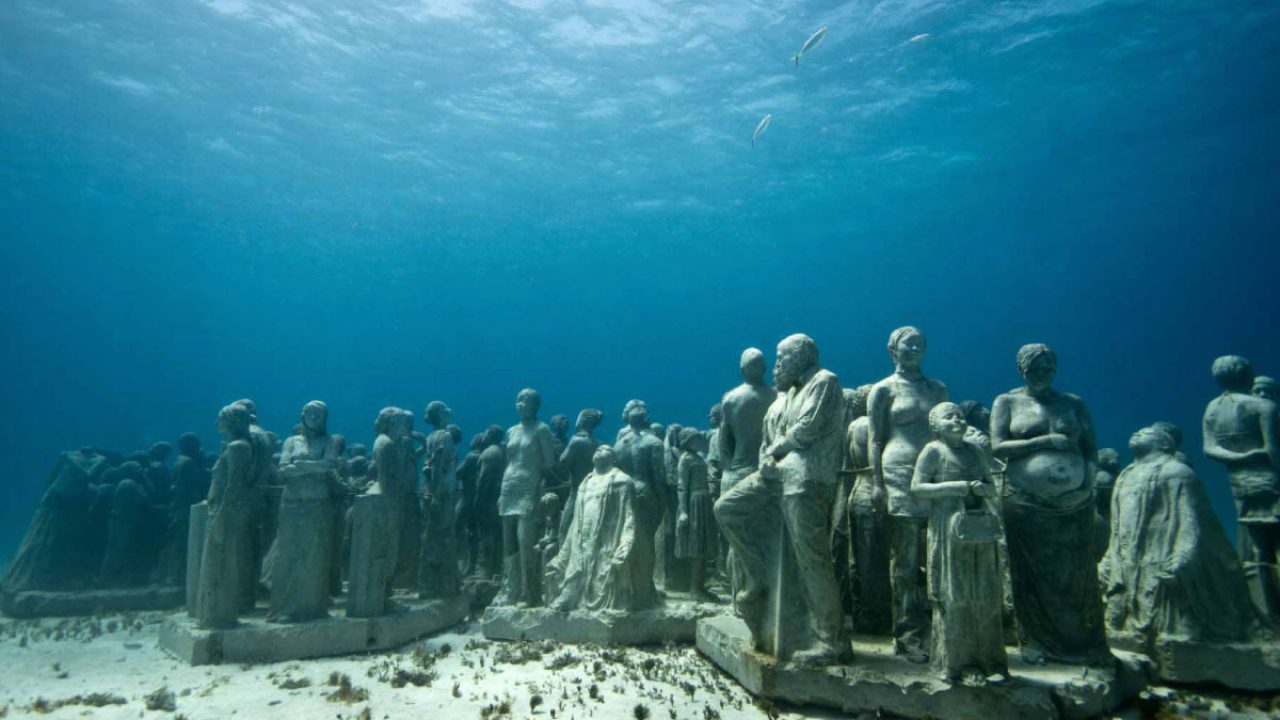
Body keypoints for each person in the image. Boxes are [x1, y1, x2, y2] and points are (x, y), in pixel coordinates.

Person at [992, 343, 1109, 665]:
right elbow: (997, 446)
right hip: (1025, 499)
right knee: (1030, 573)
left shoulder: (1074, 404)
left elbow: (1091, 451)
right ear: (1022, 369)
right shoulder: (1007, 401)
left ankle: (1083, 644)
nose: (1042, 374)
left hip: (1075, 501)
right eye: (1035, 368)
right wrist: (1043, 441)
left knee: (1077, 573)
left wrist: (1088, 484)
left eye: (1048, 368)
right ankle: (1035, 642)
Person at [1102, 425, 1258, 651]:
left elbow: (1190, 519)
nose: (1136, 433)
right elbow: (1116, 525)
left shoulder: (1176, 472)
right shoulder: (1125, 474)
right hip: (1128, 555)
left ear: (1165, 444)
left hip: (1163, 550)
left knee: (1175, 618)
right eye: (1136, 431)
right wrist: (1110, 556)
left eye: (1145, 432)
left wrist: (1182, 555)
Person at [911, 402, 1007, 684]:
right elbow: (917, 488)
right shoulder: (933, 451)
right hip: (947, 529)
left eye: (960, 416)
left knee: (984, 593)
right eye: (948, 416)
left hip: (977, 530)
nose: (956, 420)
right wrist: (958, 487)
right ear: (935, 426)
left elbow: (993, 487)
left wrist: (981, 489)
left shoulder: (975, 451)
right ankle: (957, 664)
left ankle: (989, 660)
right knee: (955, 594)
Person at [868, 326, 948, 661]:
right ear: (892, 350)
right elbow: (875, 439)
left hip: (936, 476)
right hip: (899, 476)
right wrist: (876, 483)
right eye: (907, 344)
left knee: (937, 557)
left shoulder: (937, 388)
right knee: (905, 559)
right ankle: (908, 634)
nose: (914, 348)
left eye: (920, 343)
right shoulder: (883, 389)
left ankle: (939, 632)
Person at [1202, 355, 1280, 621]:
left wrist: (1238, 459)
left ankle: (1263, 614)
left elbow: (1210, 448)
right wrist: (1253, 456)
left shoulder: (1213, 408)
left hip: (1239, 481)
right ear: (1246, 375)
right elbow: (1273, 451)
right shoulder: (1263, 407)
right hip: (1270, 478)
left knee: (1256, 546)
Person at [496, 389, 558, 607]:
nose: (520, 404)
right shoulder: (511, 431)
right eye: (518, 399)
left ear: (535, 405)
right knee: (508, 543)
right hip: (508, 488)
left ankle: (529, 594)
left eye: (525, 400)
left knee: (526, 541)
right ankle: (509, 591)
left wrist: (540, 491)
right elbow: (508, 461)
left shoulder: (542, 430)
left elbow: (549, 464)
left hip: (528, 488)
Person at [675, 429, 716, 602]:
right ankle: (694, 588)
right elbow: (682, 487)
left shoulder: (698, 458)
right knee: (696, 547)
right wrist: (683, 511)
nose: (700, 441)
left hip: (704, 502)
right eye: (697, 439)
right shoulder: (685, 460)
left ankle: (701, 586)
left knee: (704, 546)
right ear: (689, 441)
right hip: (694, 504)